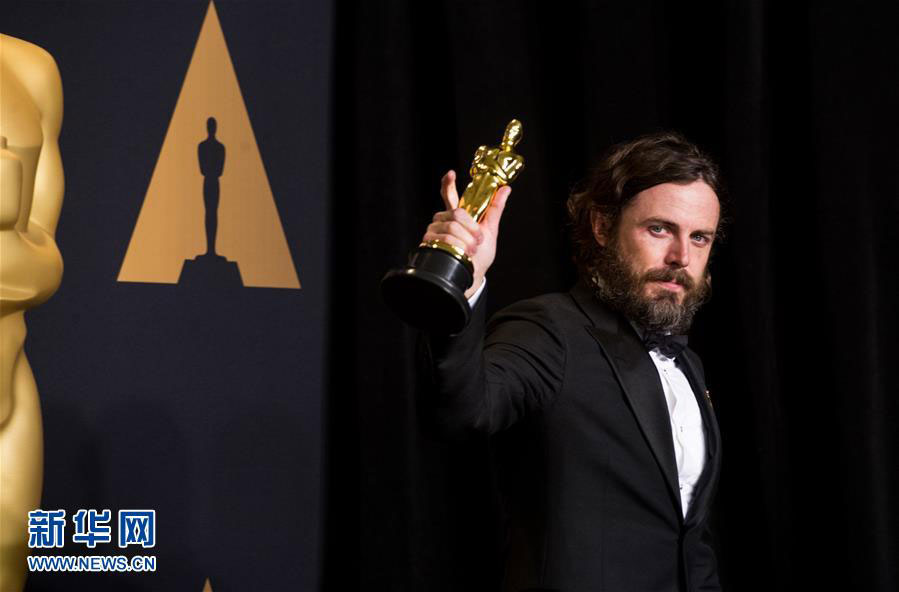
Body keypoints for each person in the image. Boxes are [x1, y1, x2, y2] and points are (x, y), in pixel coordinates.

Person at [417, 132, 724, 591]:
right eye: (659, 229)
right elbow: (464, 411)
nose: (681, 257)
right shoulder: (550, 329)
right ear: (602, 226)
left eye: (699, 238)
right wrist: (462, 284)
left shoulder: (689, 366)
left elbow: (687, 539)